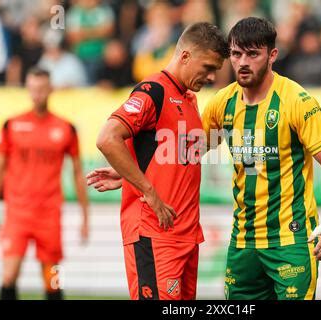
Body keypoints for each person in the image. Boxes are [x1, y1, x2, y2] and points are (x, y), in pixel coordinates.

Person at [202, 17, 321, 300]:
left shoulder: (297, 101)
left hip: (291, 241)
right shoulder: (222, 103)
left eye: (253, 54)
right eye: (236, 54)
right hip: (243, 242)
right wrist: (131, 171)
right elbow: (189, 152)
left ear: (272, 55)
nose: (243, 62)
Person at [90, 22, 228, 300]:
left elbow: (177, 153)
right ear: (186, 56)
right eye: (208, 67)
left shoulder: (188, 98)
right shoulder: (153, 91)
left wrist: (128, 173)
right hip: (155, 233)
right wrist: (148, 190)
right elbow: (107, 138)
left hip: (186, 235)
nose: (212, 77)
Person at [0, 67, 89, 300]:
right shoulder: (11, 125)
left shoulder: (65, 128)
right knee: (9, 276)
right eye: (33, 89)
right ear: (28, 90)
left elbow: (78, 174)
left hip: (49, 214)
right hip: (17, 212)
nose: (37, 95)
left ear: (50, 89)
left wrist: (85, 217)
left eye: (42, 89)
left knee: (53, 280)